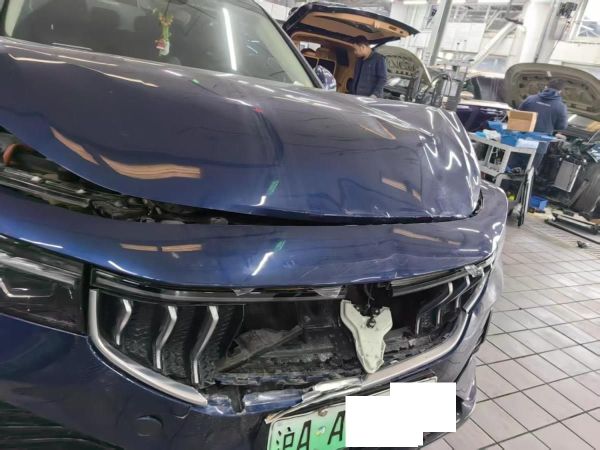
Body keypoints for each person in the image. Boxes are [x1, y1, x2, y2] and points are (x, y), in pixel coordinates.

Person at [518, 79, 569, 170]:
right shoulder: (561, 107)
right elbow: (561, 126)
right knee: (529, 172)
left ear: (546, 87)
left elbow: (519, 115)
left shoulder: (530, 99)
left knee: (510, 169)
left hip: (521, 141)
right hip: (539, 146)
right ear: (560, 91)